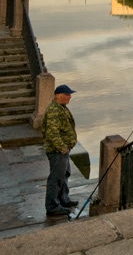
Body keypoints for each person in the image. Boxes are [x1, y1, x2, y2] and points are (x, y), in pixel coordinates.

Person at [42, 84, 78, 217]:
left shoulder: (61, 108)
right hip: (57, 151)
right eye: (67, 94)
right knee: (56, 178)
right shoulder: (53, 111)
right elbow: (52, 134)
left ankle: (63, 200)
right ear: (58, 95)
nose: (70, 96)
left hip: (63, 150)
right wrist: (62, 147)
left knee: (64, 174)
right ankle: (52, 207)